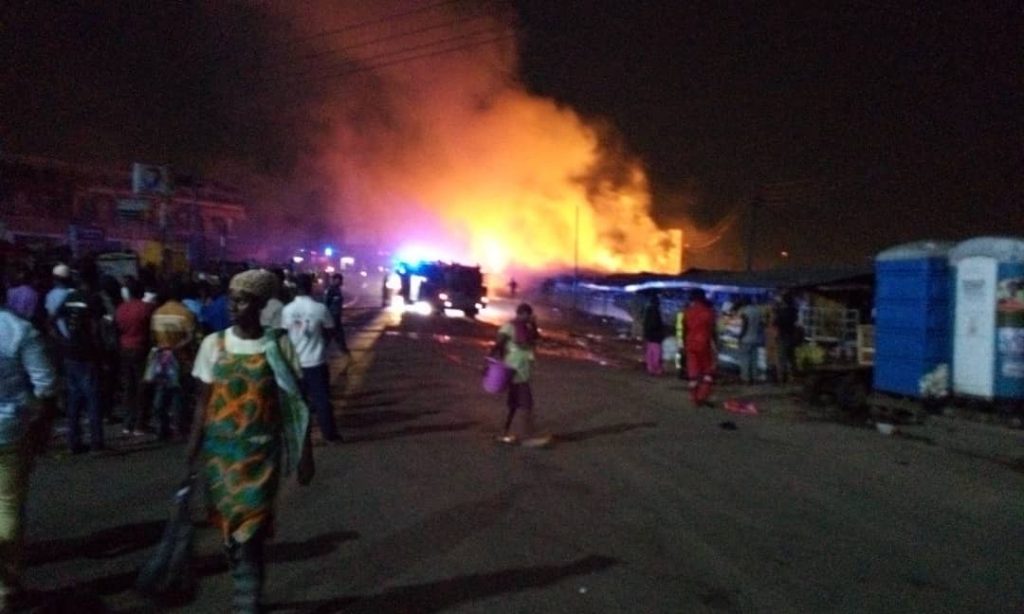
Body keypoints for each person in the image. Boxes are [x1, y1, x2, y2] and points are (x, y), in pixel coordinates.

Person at [186, 269, 313, 612]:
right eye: (231, 299)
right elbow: (202, 404)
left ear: (257, 305)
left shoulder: (278, 343)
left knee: (252, 531)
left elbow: (294, 404)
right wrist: (190, 454)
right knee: (229, 531)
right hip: (220, 458)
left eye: (241, 300)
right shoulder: (213, 344)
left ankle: (249, 597)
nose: (232, 306)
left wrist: (304, 453)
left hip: (260, 457)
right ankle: (244, 580)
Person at [0, 283, 57, 611]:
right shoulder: (20, 330)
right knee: (8, 506)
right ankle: (7, 586)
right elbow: (45, 385)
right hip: (10, 429)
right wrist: (42, 429)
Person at [281, 273, 340, 442]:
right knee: (322, 401)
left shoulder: (287, 310)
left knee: (297, 402)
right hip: (316, 362)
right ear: (311, 287)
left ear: (295, 288)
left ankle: (299, 436)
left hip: (295, 363)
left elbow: (284, 334)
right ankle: (330, 436)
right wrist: (321, 342)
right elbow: (330, 329)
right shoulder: (320, 308)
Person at [57, 273, 106, 454]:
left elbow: (53, 319)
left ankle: (73, 442)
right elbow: (95, 328)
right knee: (93, 398)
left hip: (71, 353)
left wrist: (65, 338)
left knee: (74, 399)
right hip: (87, 354)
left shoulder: (70, 297)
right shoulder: (93, 299)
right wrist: (99, 351)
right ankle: (96, 443)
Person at [147, 281, 197, 440]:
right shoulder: (186, 313)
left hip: (162, 358)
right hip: (181, 359)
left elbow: (153, 337)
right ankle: (179, 428)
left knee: (161, 392)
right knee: (179, 395)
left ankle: (162, 427)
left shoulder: (158, 312)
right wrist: (176, 347)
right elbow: (191, 337)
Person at [493, 303, 548, 447]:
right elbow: (499, 343)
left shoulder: (526, 327)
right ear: (522, 313)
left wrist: (534, 324)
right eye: (528, 315)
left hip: (522, 369)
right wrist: (494, 361)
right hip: (515, 370)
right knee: (527, 404)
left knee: (513, 405)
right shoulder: (510, 326)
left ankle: (503, 433)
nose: (530, 317)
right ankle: (528, 437)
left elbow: (536, 338)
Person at [116, 277, 155, 435]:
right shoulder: (147, 308)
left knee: (128, 387)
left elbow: (118, 328)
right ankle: (140, 424)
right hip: (141, 349)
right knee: (142, 387)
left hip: (125, 349)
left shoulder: (121, 308)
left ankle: (127, 423)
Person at [683, 289, 717, 407]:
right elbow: (713, 330)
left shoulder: (687, 312)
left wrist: (683, 344)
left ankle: (694, 398)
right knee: (708, 372)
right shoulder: (709, 312)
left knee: (693, 373)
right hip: (704, 344)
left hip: (690, 344)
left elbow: (685, 329)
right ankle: (702, 395)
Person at [772, 292, 799, 383]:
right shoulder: (793, 311)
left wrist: (777, 310)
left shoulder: (782, 311)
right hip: (791, 335)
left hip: (783, 335)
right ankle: (794, 375)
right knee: (791, 357)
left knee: (782, 357)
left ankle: (783, 377)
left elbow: (775, 322)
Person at [737, 298, 764, 384]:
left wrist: (740, 337)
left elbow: (745, 326)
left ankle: (746, 378)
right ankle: (754, 378)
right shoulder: (758, 311)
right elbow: (761, 325)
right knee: (754, 360)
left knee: (745, 359)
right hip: (756, 338)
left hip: (746, 339)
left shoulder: (745, 312)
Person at [323, 273, 350, 354]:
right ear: (335, 280)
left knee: (338, 340)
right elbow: (326, 304)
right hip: (331, 319)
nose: (341, 282)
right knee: (328, 340)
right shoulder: (330, 290)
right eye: (340, 280)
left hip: (336, 319)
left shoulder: (338, 290)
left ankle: (348, 357)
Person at [641, 294, 665, 375]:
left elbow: (645, 323)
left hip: (649, 335)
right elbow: (656, 324)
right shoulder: (656, 311)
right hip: (656, 337)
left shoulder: (648, 311)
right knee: (656, 353)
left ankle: (650, 368)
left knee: (649, 352)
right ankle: (656, 369)